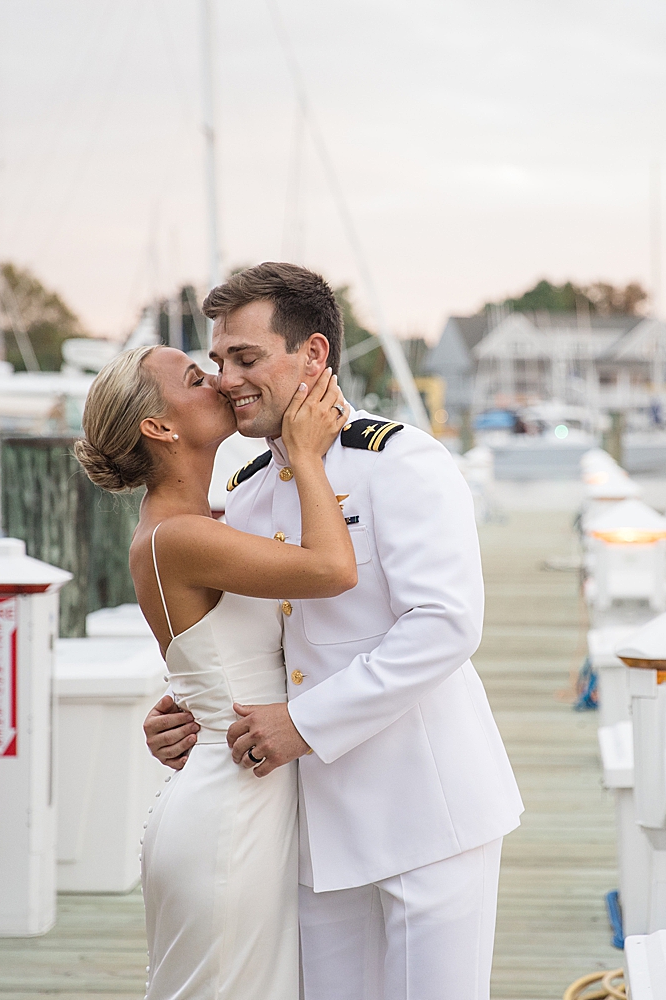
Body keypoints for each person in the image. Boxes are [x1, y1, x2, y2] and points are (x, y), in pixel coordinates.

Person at [143, 262, 524, 1000]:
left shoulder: (400, 461)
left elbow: (445, 625)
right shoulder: (246, 494)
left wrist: (304, 724)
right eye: (219, 361)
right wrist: (181, 710)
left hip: (427, 815)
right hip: (312, 835)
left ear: (312, 355)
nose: (226, 379)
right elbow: (251, 641)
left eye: (246, 358)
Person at [75, 346, 353, 1000]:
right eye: (197, 380)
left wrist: (185, 704)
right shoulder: (180, 536)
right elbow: (334, 571)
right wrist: (307, 453)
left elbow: (219, 654)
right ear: (160, 428)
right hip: (230, 809)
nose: (223, 382)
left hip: (238, 790)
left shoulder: (198, 525)